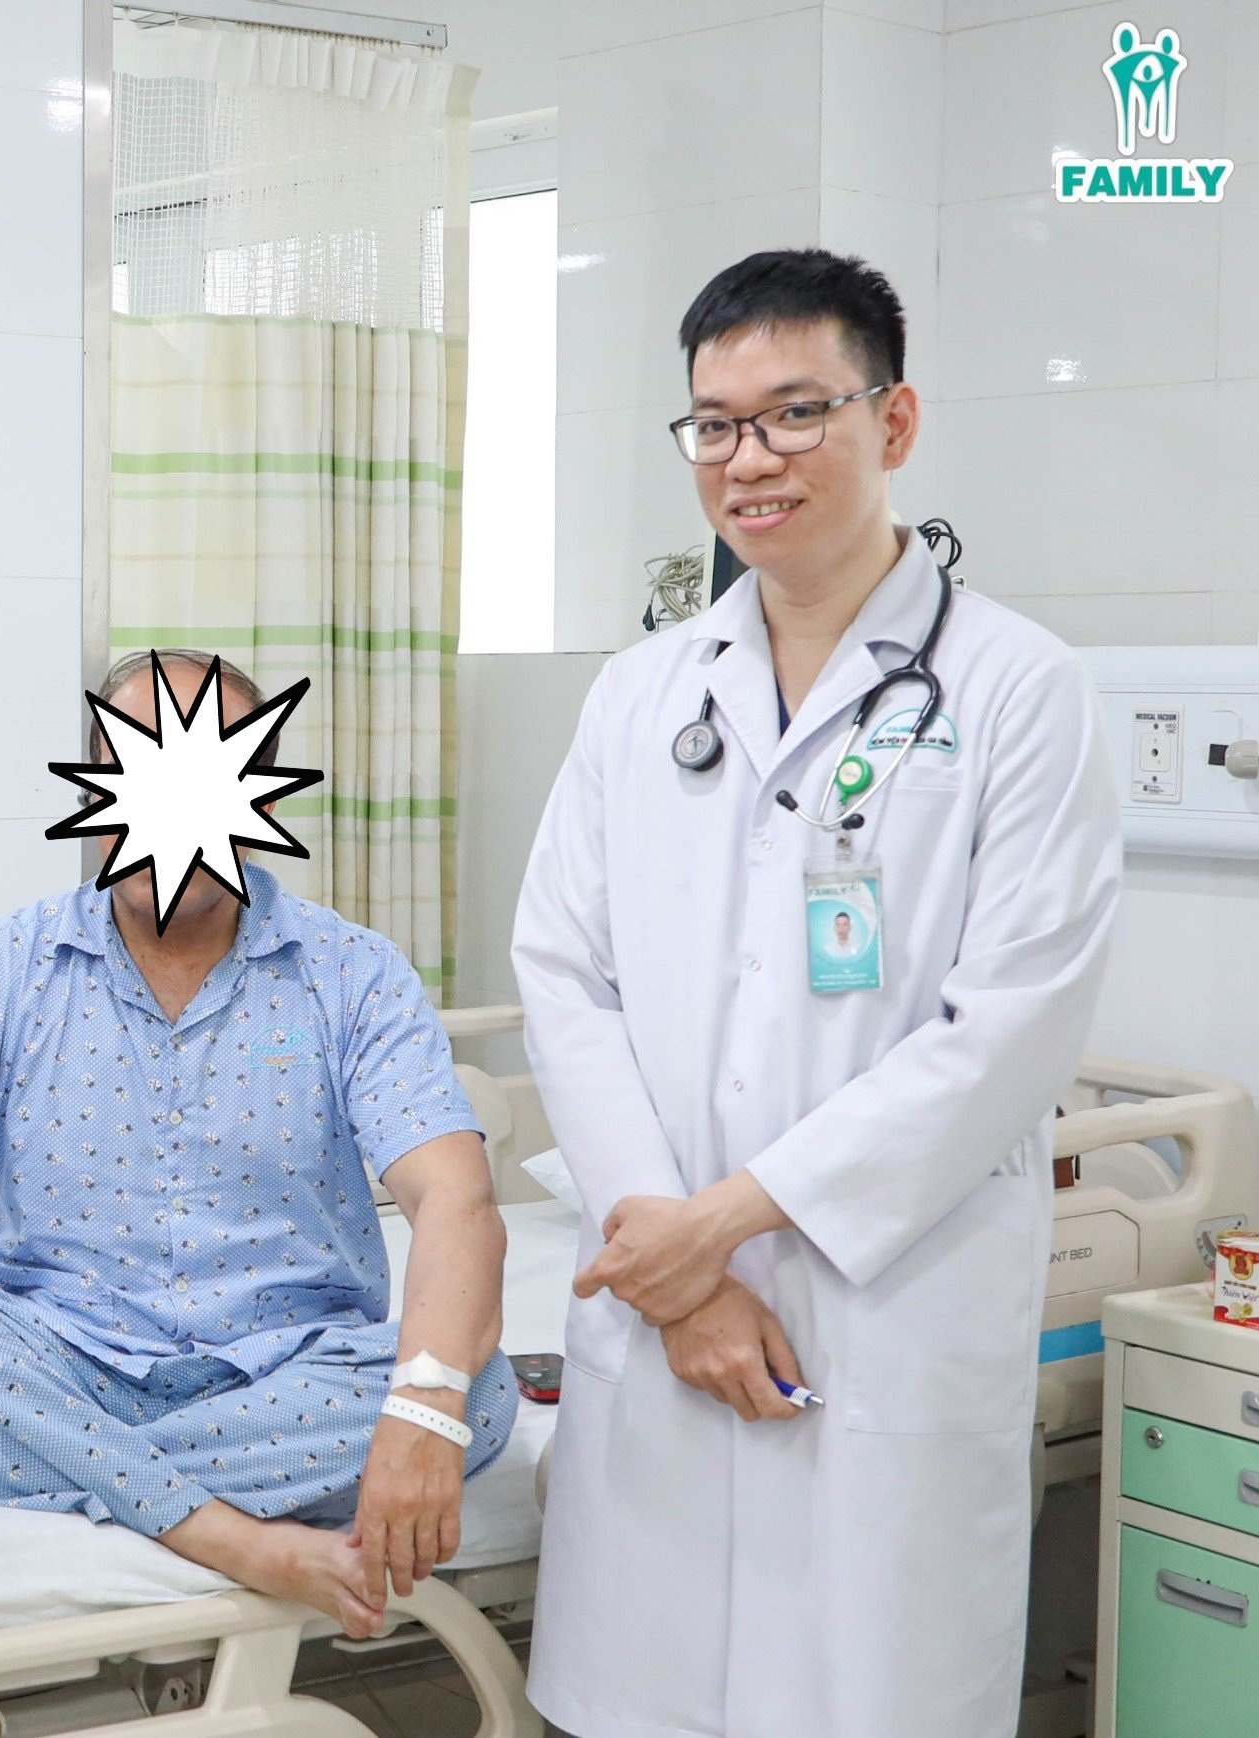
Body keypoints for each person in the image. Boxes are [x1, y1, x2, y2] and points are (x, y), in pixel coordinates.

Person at [514, 249, 1121, 1738]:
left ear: (893, 421)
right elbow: (560, 972)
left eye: (794, 414)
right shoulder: (642, 690)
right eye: (713, 425)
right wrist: (681, 1269)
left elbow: (1011, 1023)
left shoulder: (1018, 690)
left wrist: (722, 1223)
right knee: (644, 1700)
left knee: (860, 1698)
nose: (748, 460)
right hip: (668, 1304)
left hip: (879, 1295)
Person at [0, 651, 517, 1639]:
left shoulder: (351, 975)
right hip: (58, 1356)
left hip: (289, 1372)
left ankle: (7, 1463)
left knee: (471, 1389)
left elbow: (456, 1203)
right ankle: (225, 1531)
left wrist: (420, 1409)